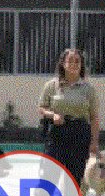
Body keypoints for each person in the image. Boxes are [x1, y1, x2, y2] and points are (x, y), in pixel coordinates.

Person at [38, 48, 100, 183]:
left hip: (79, 134)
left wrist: (94, 142)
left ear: (81, 65)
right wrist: (53, 115)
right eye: (70, 61)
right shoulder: (51, 85)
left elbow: (94, 117)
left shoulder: (88, 89)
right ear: (63, 63)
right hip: (57, 134)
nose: (74, 64)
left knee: (73, 178)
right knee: (49, 176)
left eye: (77, 61)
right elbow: (42, 108)